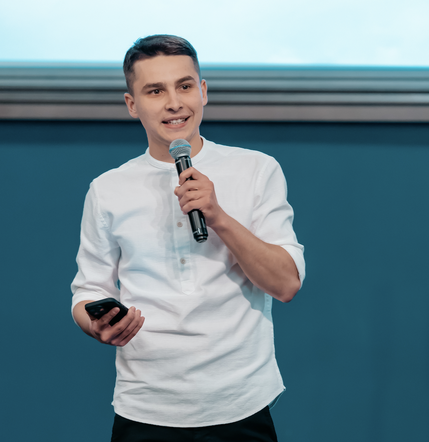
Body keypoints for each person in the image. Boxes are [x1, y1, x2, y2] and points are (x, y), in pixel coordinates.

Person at [71, 35, 305, 442]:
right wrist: (96, 324)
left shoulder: (256, 170)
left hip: (240, 402)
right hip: (145, 405)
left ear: (203, 91)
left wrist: (219, 217)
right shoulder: (107, 189)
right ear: (132, 104)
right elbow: (88, 290)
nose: (174, 102)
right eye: (155, 91)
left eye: (184, 86)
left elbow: (286, 284)